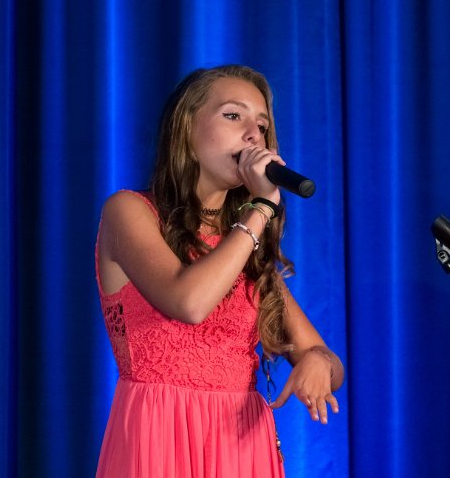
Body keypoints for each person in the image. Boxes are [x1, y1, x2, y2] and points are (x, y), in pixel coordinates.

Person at [95, 64, 344, 477]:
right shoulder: (130, 211)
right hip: (160, 438)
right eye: (233, 115)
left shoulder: (243, 246)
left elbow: (327, 361)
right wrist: (261, 208)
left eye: (262, 126)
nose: (253, 135)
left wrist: (318, 362)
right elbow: (188, 302)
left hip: (240, 449)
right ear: (186, 129)